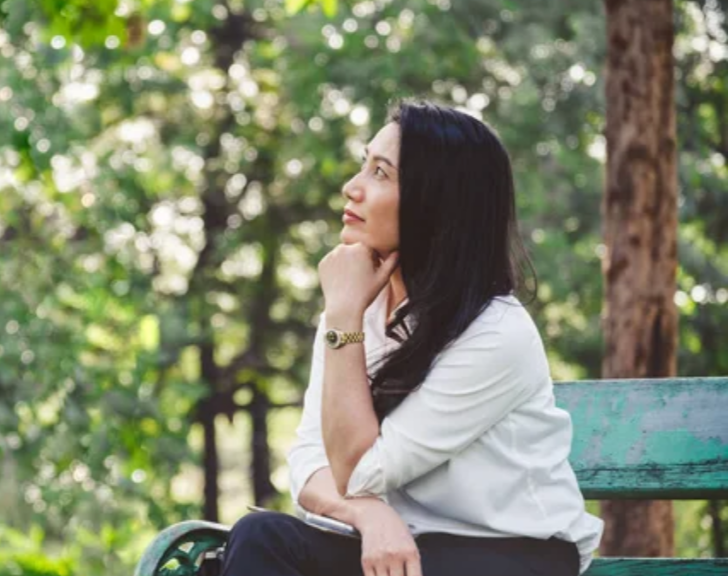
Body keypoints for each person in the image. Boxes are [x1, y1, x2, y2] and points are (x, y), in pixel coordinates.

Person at [218, 101, 604, 576]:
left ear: (436, 203)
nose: (351, 187)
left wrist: (342, 316)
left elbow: (357, 470)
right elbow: (309, 459)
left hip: (511, 553)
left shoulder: (497, 330)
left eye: (380, 173)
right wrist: (367, 512)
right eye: (364, 164)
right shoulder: (353, 309)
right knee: (263, 537)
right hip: (402, 547)